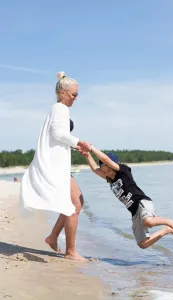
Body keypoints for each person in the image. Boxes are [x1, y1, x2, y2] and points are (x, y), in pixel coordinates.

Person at [20, 72, 91, 261]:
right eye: (74, 95)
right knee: (74, 204)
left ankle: (53, 237)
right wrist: (79, 141)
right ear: (64, 93)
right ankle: (70, 252)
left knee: (77, 202)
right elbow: (59, 133)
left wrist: (74, 145)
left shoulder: (57, 108)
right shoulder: (60, 108)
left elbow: (57, 137)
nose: (76, 98)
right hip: (55, 166)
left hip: (58, 165)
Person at [80, 146, 173, 249]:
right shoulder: (110, 178)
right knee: (142, 244)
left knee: (149, 222)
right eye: (104, 172)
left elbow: (106, 159)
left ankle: (169, 221)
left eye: (109, 170)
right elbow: (94, 169)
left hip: (141, 202)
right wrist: (88, 155)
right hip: (134, 212)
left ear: (114, 165)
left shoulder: (123, 171)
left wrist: (91, 148)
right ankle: (167, 230)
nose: (107, 174)